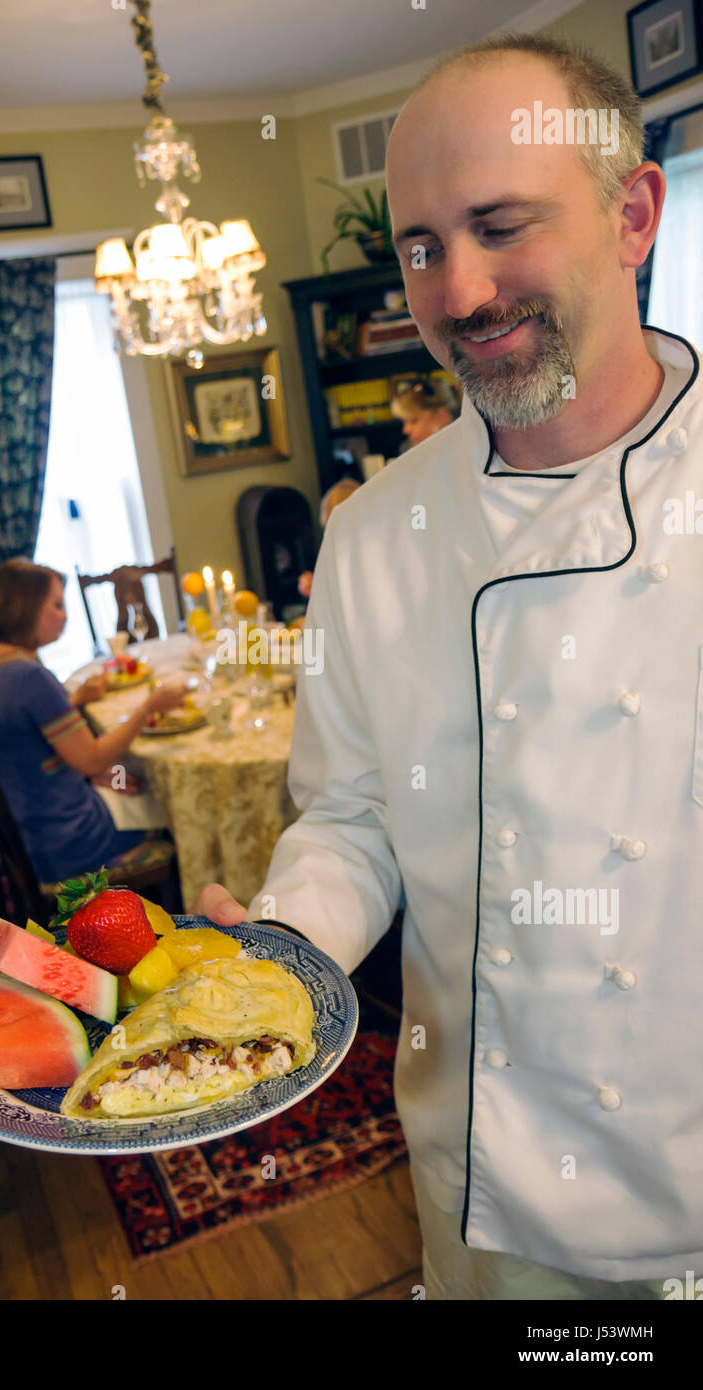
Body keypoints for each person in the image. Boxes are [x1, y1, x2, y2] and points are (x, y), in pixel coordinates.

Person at [191, 33, 703, 1299]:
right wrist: (286, 956)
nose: (458, 292)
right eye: (419, 245)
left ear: (629, 213)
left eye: (497, 225)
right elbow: (353, 815)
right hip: (491, 1190)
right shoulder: (372, 531)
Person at [0, 558, 186, 884]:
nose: (64, 615)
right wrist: (149, 708)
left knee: (125, 779)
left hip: (35, 831)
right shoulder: (31, 677)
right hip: (74, 842)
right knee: (175, 805)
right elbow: (92, 759)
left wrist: (93, 772)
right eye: (56, 605)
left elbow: (36, 748)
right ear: (26, 608)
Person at [390, 375, 460, 449]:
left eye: (413, 421)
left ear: (442, 416)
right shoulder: (408, 449)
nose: (406, 430)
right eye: (404, 422)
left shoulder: (462, 449)